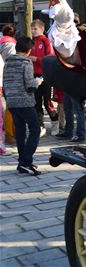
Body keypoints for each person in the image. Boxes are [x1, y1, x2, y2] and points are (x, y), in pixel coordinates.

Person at [3, 37, 43, 175]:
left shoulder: (8, 62)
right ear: (28, 50)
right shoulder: (26, 63)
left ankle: (23, 162)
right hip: (25, 102)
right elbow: (30, 85)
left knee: (20, 132)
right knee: (35, 130)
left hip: (12, 102)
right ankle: (25, 162)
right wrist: (38, 81)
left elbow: (6, 82)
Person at [30, 19, 57, 136]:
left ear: (42, 29)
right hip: (33, 76)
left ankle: (55, 123)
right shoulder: (30, 42)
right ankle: (41, 127)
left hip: (45, 76)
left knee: (47, 102)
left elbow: (51, 58)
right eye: (32, 29)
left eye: (35, 28)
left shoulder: (46, 41)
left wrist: (37, 59)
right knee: (36, 102)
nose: (33, 31)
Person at [0, 24, 17, 145]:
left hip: (4, 78)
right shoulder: (11, 45)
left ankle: (10, 134)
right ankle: (10, 135)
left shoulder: (1, 43)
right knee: (11, 108)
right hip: (11, 77)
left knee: (8, 107)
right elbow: (12, 62)